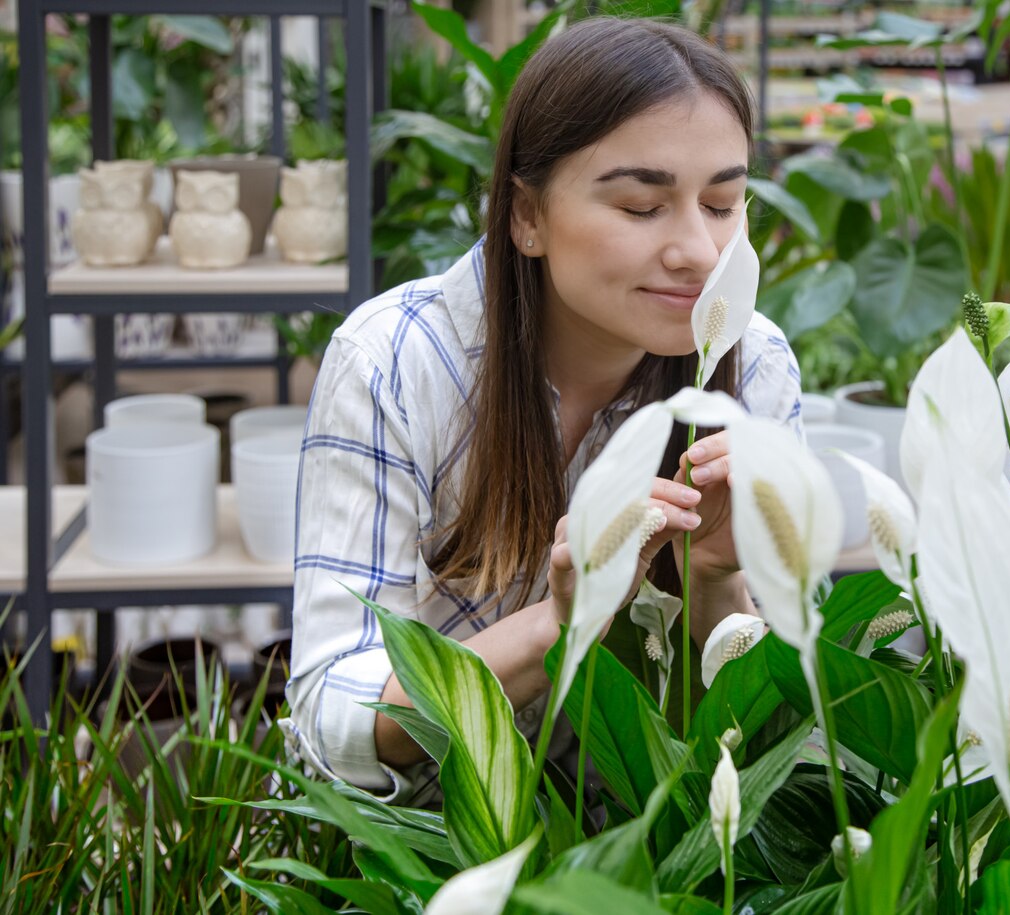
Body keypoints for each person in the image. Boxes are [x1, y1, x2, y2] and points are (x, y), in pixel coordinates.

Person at [283, 16, 803, 805]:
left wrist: (716, 588)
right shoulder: (394, 362)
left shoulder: (752, 369)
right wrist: (555, 627)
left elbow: (790, 740)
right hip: (433, 848)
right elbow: (332, 718)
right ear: (526, 216)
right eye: (640, 206)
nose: (699, 251)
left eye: (724, 203)